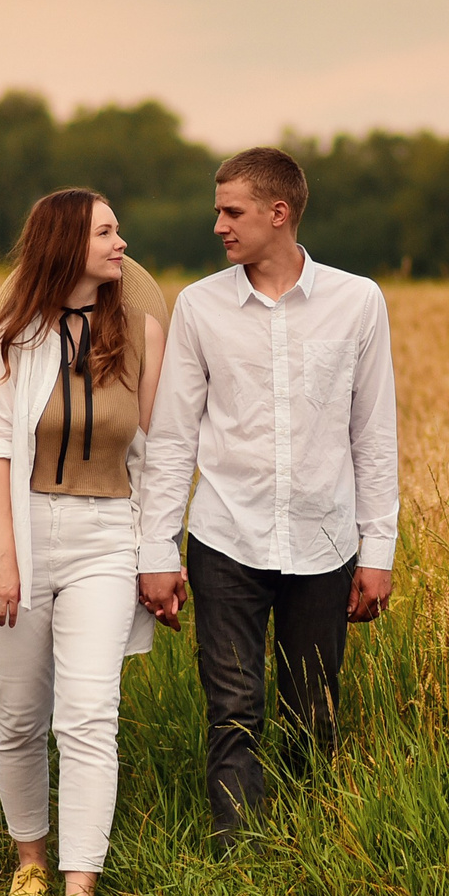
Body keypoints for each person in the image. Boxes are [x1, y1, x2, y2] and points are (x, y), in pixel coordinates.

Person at [136, 147, 398, 843]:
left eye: (232, 211)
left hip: (325, 541)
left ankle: (311, 857)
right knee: (233, 711)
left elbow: (374, 434)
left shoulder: (357, 302)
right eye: (217, 210)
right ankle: (239, 862)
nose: (218, 225)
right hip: (226, 538)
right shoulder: (200, 307)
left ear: (278, 213)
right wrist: (157, 550)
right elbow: (172, 438)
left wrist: (378, 549)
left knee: (313, 713)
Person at [0, 189, 167, 896]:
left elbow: (158, 452)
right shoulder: (14, 338)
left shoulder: (141, 334)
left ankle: (83, 886)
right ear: (67, 243)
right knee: (18, 714)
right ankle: (30, 862)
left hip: (105, 534)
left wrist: (157, 552)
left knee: (89, 714)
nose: (121, 243)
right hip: (20, 529)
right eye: (106, 232)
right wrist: (5, 559)